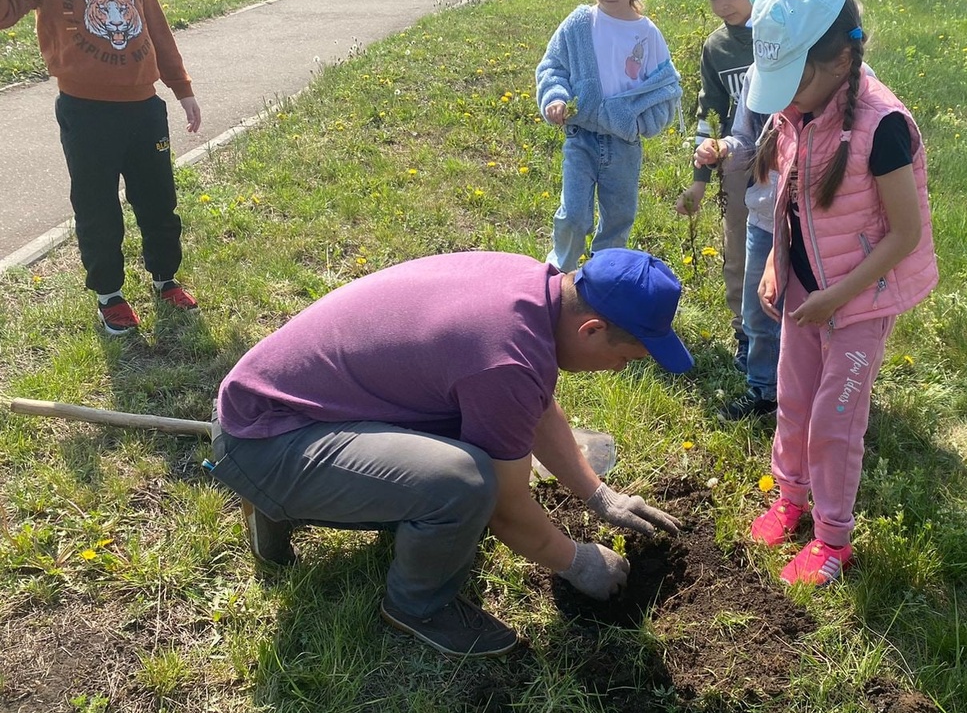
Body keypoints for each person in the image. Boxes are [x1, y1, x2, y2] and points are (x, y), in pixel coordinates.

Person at [207, 248, 694, 658]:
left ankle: (282, 501)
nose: (616, 371)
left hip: (287, 407)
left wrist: (599, 495)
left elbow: (534, 404)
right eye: (625, 359)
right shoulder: (505, 358)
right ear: (590, 330)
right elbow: (506, 507)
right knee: (466, 484)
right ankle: (418, 606)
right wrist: (577, 562)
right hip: (265, 440)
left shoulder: (531, 287)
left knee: (469, 454)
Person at [742, 0, 937, 586]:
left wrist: (836, 298)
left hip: (857, 300)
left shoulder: (882, 127)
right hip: (807, 293)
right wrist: (778, 261)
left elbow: (904, 235)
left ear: (843, 57)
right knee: (793, 397)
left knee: (834, 419)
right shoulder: (799, 111)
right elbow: (790, 200)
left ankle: (832, 539)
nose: (786, 96)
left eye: (797, 79)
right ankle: (790, 496)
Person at [0, 0, 202, 336]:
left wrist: (181, 87)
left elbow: (156, 29)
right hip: (86, 113)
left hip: (145, 108)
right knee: (97, 206)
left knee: (158, 201)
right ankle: (109, 294)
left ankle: (165, 278)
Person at [691, 0, 843, 421]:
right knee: (761, 308)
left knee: (814, 310)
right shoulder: (763, 72)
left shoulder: (843, 81)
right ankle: (763, 389)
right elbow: (743, 133)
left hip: (821, 223)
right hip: (765, 215)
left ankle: (821, 389)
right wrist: (726, 148)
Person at [535, 0, 681, 272]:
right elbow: (552, 66)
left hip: (623, 145)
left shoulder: (647, 35)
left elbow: (664, 88)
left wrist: (642, 122)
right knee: (573, 212)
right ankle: (559, 274)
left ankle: (603, 277)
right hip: (581, 136)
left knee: (619, 215)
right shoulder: (580, 24)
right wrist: (556, 96)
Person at [674, 0, 767, 379]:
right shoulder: (716, 47)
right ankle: (746, 332)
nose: (720, 3)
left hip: (792, 163)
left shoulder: (785, 34)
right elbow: (707, 112)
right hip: (738, 162)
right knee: (739, 252)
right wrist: (699, 174)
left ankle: (790, 330)